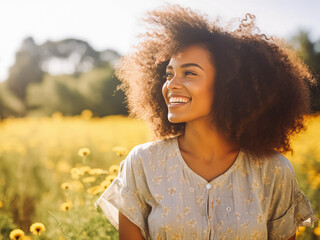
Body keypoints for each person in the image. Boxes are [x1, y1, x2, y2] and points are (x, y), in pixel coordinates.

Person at [95, 4, 319, 240]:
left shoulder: (274, 171)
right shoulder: (142, 163)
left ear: (228, 85)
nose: (171, 85)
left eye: (189, 73)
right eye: (169, 74)